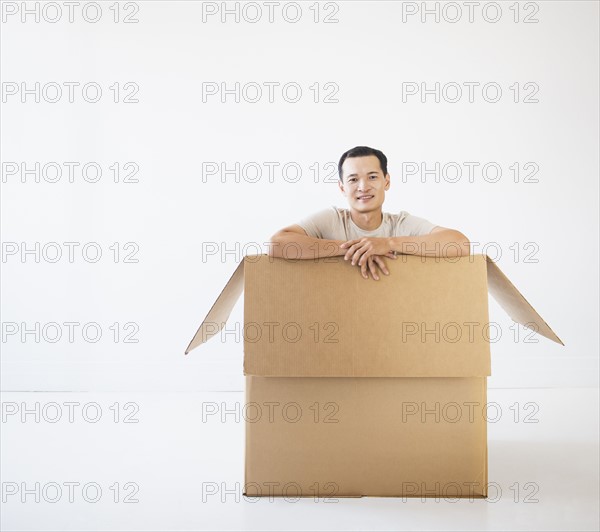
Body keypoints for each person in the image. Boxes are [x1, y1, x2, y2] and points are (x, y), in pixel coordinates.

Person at [268, 145, 470, 280]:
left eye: (372, 177)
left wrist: (387, 244)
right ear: (342, 188)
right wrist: (354, 249)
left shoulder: (400, 224)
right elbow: (277, 244)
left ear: (386, 181)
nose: (363, 187)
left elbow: (459, 244)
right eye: (353, 179)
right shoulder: (332, 220)